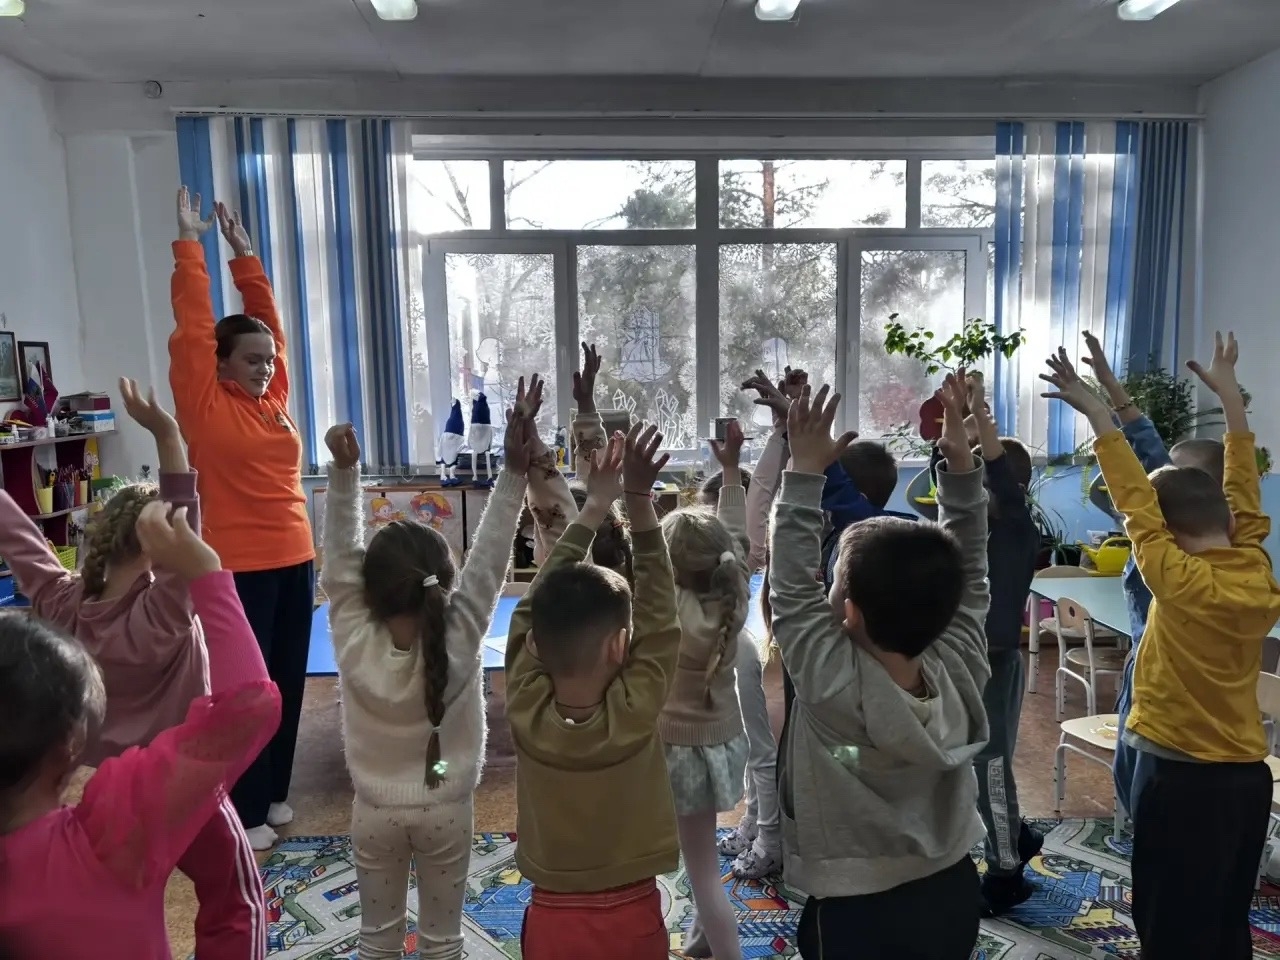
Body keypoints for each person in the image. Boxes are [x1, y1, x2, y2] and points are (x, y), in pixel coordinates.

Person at [0, 378, 265, 960]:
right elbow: (184, 515)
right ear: (156, 545)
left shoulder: (61, 602)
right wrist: (167, 433)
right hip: (175, 783)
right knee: (235, 899)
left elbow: (18, 537)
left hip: (98, 793)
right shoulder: (163, 611)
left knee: (116, 896)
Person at [1041, 335, 1279, 959]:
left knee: (1169, 921)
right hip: (1247, 781)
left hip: (1180, 779)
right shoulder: (1255, 567)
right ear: (1230, 523)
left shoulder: (1175, 580)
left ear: (1163, 538)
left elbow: (1137, 505)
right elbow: (1239, 495)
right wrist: (1231, 402)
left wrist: (1099, 414)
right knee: (1225, 916)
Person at [320, 376, 541, 960]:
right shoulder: (462, 632)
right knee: (444, 943)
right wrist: (513, 474)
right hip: (447, 809)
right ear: (445, 580)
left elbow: (338, 561)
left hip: (374, 813)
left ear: (368, 590)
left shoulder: (352, 635)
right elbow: (491, 558)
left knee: (376, 940)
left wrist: (344, 475)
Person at [770, 375, 990, 959]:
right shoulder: (963, 662)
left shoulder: (828, 683)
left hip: (855, 910)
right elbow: (971, 568)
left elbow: (788, 586)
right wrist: (961, 466)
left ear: (848, 611)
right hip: (952, 892)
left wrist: (803, 468)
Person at [169, 187, 314, 849]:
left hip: (296, 558)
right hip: (238, 568)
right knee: (245, 691)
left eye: (270, 361)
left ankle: (274, 791)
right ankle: (245, 807)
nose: (265, 368)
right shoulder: (205, 403)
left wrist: (247, 258)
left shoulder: (271, 398)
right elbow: (194, 327)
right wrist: (190, 247)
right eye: (252, 360)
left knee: (286, 684)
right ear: (221, 363)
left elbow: (270, 327)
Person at [505, 424, 679, 960]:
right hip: (633, 912)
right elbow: (661, 613)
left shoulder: (524, 702)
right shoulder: (637, 706)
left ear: (534, 643)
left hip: (552, 915)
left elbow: (532, 605)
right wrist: (638, 503)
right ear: (621, 646)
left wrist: (594, 507)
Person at [1077, 330, 1226, 818]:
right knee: (1144, 777)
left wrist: (1104, 402)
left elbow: (1148, 457)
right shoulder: (1223, 540)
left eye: (1174, 476)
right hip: (1150, 666)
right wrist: (1109, 388)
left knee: (1148, 788)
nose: (1158, 480)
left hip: (1162, 682)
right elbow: (1149, 465)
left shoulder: (1171, 545)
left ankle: (1152, 840)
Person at [661, 419, 750, 960]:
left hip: (677, 755)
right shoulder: (733, 592)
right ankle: (699, 942)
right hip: (721, 745)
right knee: (702, 859)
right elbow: (736, 537)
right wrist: (730, 472)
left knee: (701, 873)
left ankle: (725, 951)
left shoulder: (666, 610)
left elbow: (732, 539)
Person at [962, 377, 1044, 915]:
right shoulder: (973, 525)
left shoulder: (1015, 526)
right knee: (975, 763)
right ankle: (1018, 834)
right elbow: (933, 487)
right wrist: (958, 433)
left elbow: (1000, 480)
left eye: (981, 480)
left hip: (996, 662)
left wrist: (982, 426)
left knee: (989, 766)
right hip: (968, 661)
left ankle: (1006, 871)